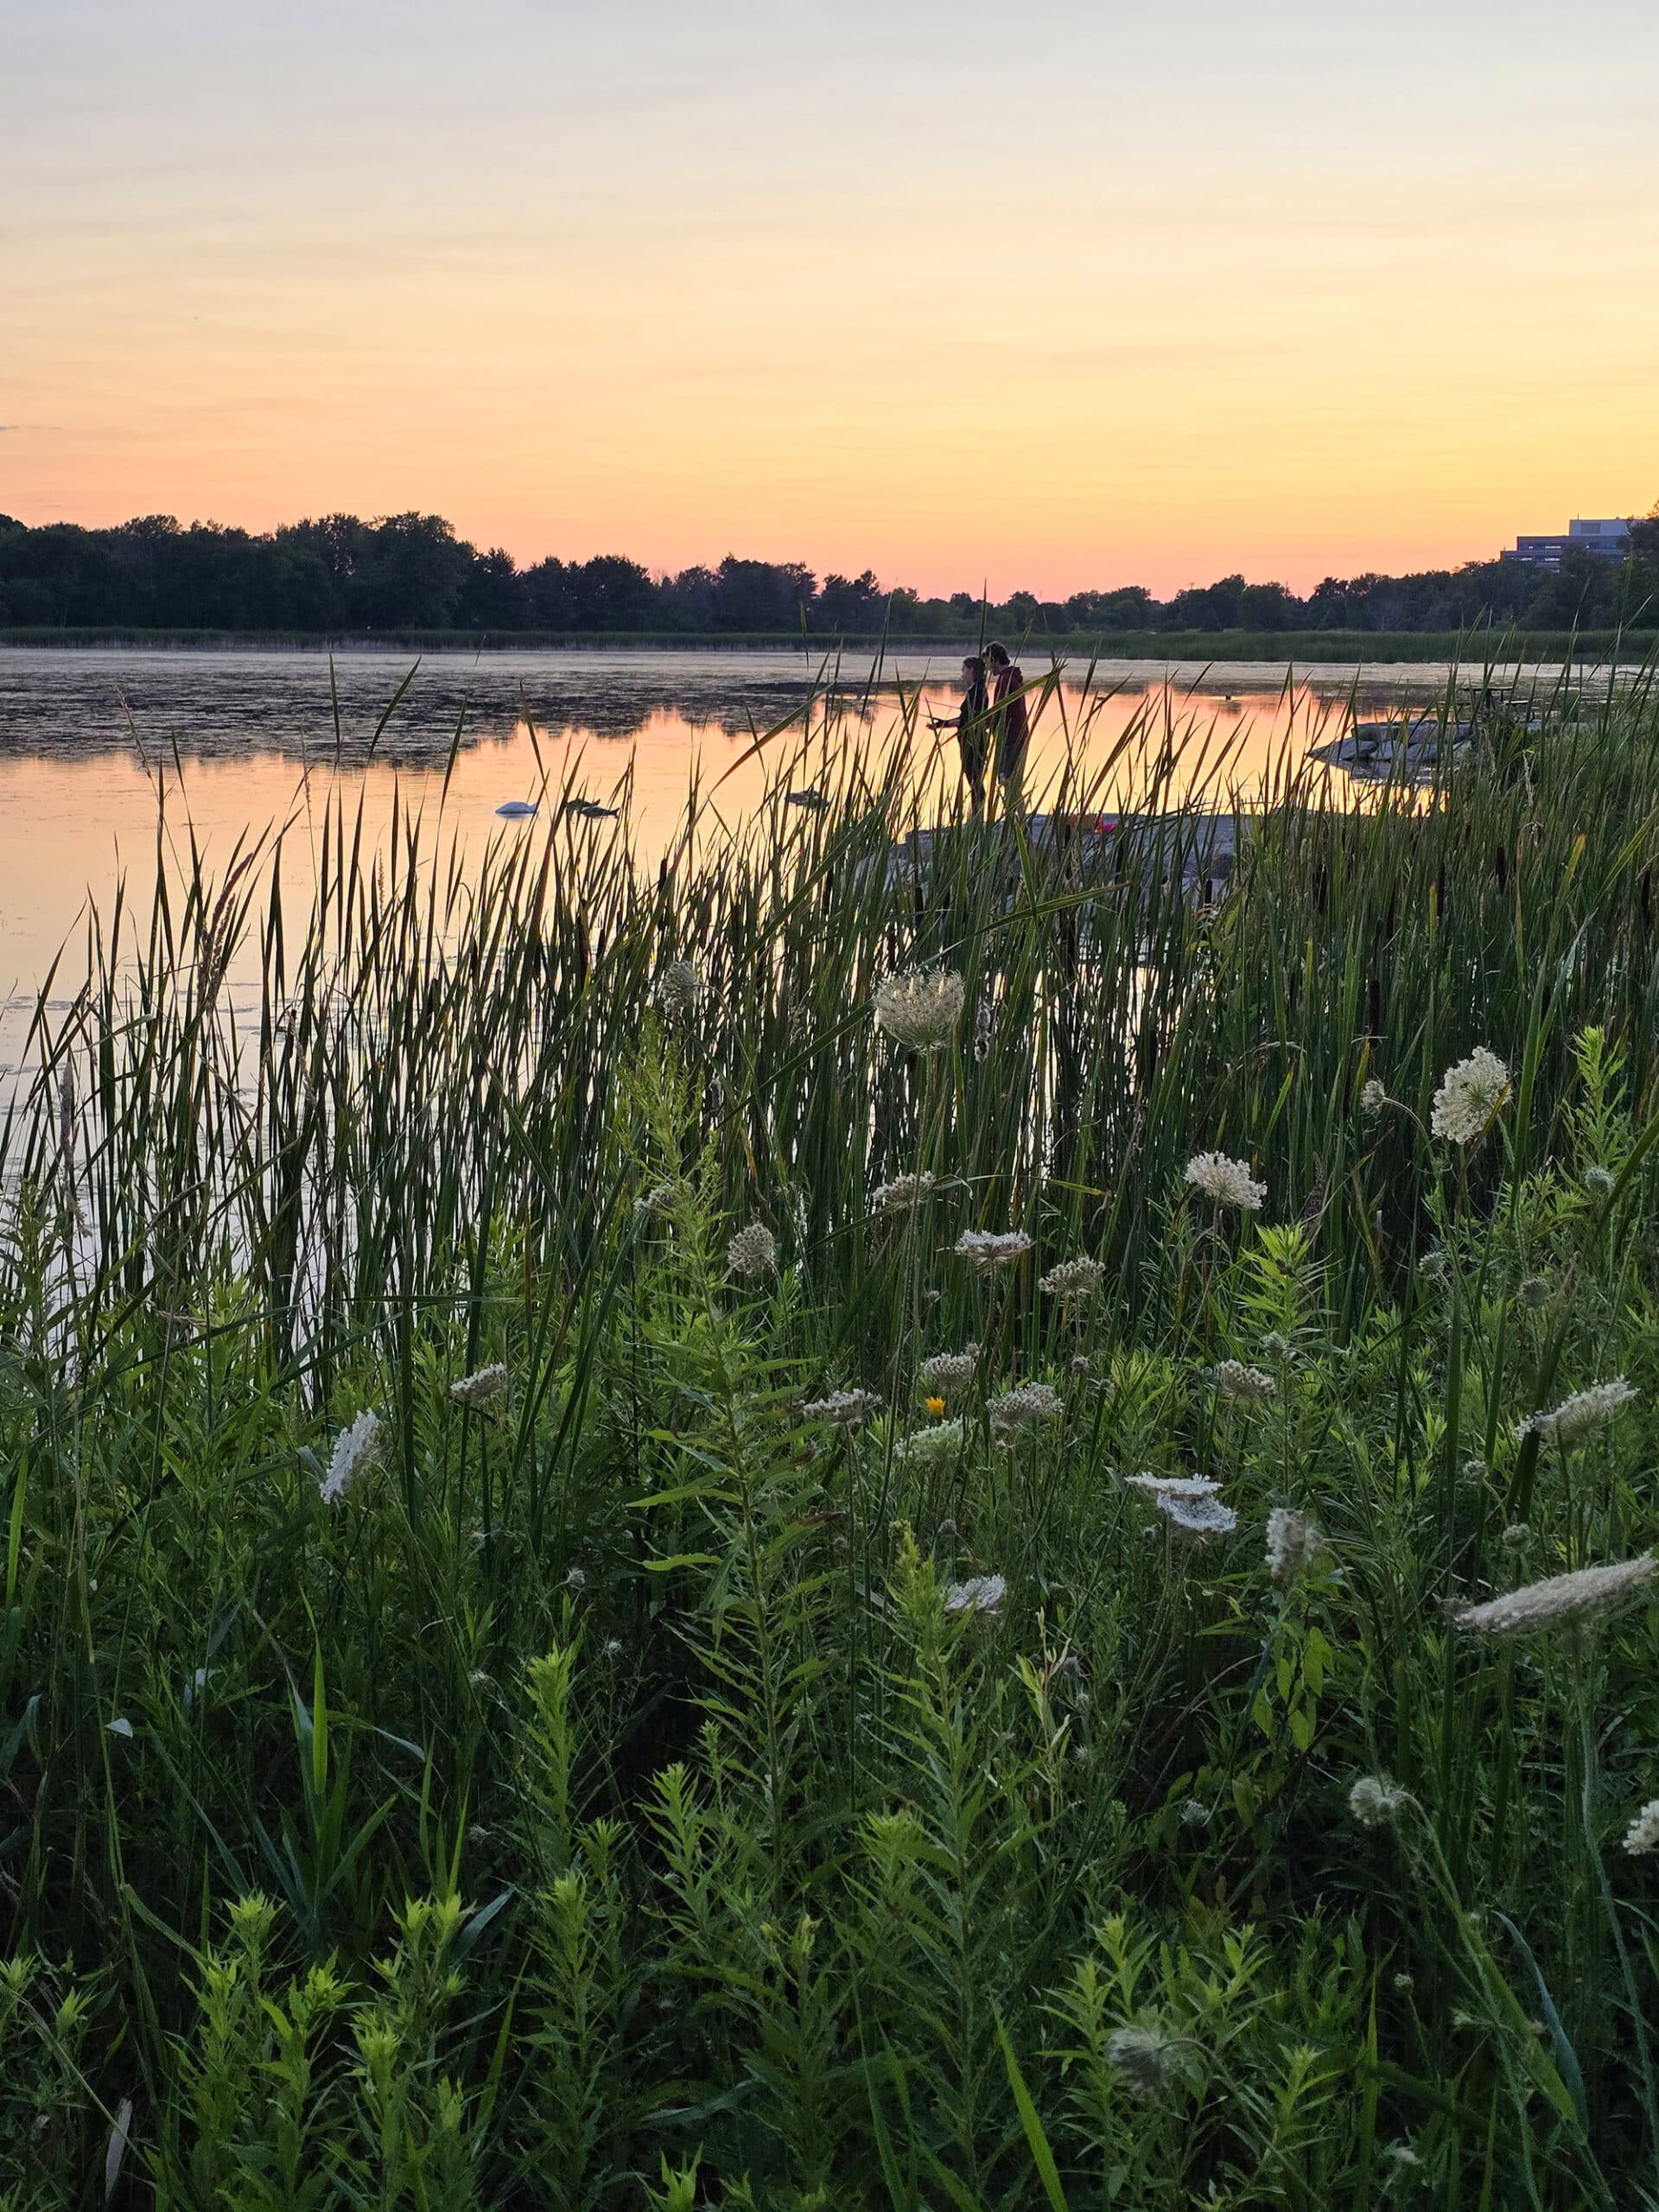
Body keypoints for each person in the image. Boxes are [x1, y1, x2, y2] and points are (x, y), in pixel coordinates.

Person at [931, 655, 989, 815]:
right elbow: (965, 719)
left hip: (974, 742)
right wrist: (944, 724)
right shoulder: (976, 690)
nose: (962, 674)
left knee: (974, 779)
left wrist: (946, 724)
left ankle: (978, 815)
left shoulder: (978, 691)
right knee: (973, 778)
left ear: (971, 670)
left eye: (963, 670)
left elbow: (972, 718)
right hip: (969, 741)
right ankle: (977, 814)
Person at [985, 641, 1030, 812]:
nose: (989, 669)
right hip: (1018, 735)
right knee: (1010, 781)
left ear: (995, 660)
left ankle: (1019, 825)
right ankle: (1017, 821)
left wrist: (983, 724)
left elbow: (1000, 709)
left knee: (1007, 780)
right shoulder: (1014, 677)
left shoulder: (1005, 680)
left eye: (989, 663)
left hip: (1011, 737)